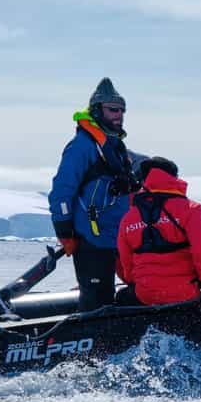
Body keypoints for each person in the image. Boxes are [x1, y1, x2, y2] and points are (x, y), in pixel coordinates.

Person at [49, 78, 139, 310]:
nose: (119, 115)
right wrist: (64, 231)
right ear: (97, 110)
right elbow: (61, 191)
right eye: (113, 110)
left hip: (116, 237)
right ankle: (91, 345)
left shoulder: (114, 147)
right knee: (97, 301)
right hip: (92, 238)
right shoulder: (82, 146)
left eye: (121, 110)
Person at [115, 157, 201, 306]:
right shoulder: (192, 210)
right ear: (174, 177)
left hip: (145, 295)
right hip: (186, 293)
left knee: (122, 296)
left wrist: (138, 284)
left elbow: (125, 261)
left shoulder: (128, 218)